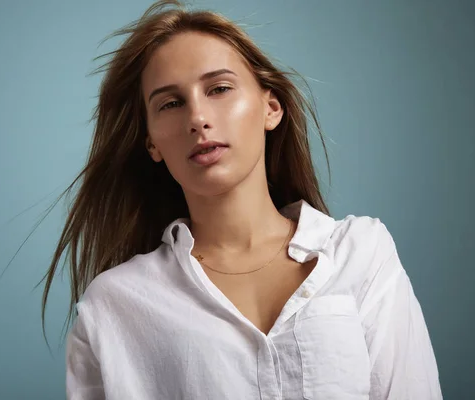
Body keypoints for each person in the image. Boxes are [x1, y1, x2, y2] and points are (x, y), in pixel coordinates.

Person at [40, 1, 442, 398]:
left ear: (271, 108)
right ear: (151, 144)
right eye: (171, 103)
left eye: (219, 88)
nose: (197, 117)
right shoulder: (113, 306)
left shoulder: (361, 253)